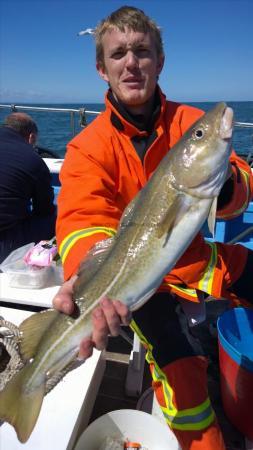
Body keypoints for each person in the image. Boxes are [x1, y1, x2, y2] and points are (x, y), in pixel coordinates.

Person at [54, 6, 253, 450]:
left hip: (204, 261)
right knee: (184, 382)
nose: (131, 62)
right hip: (145, 286)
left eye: (142, 51)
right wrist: (86, 272)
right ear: (101, 68)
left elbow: (241, 180)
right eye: (119, 53)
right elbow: (81, 218)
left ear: (159, 62)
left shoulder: (188, 123)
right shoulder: (87, 148)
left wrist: (224, 185)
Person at [0, 112, 56, 263]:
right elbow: (44, 209)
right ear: (31, 137)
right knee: (55, 216)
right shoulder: (33, 160)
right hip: (5, 245)